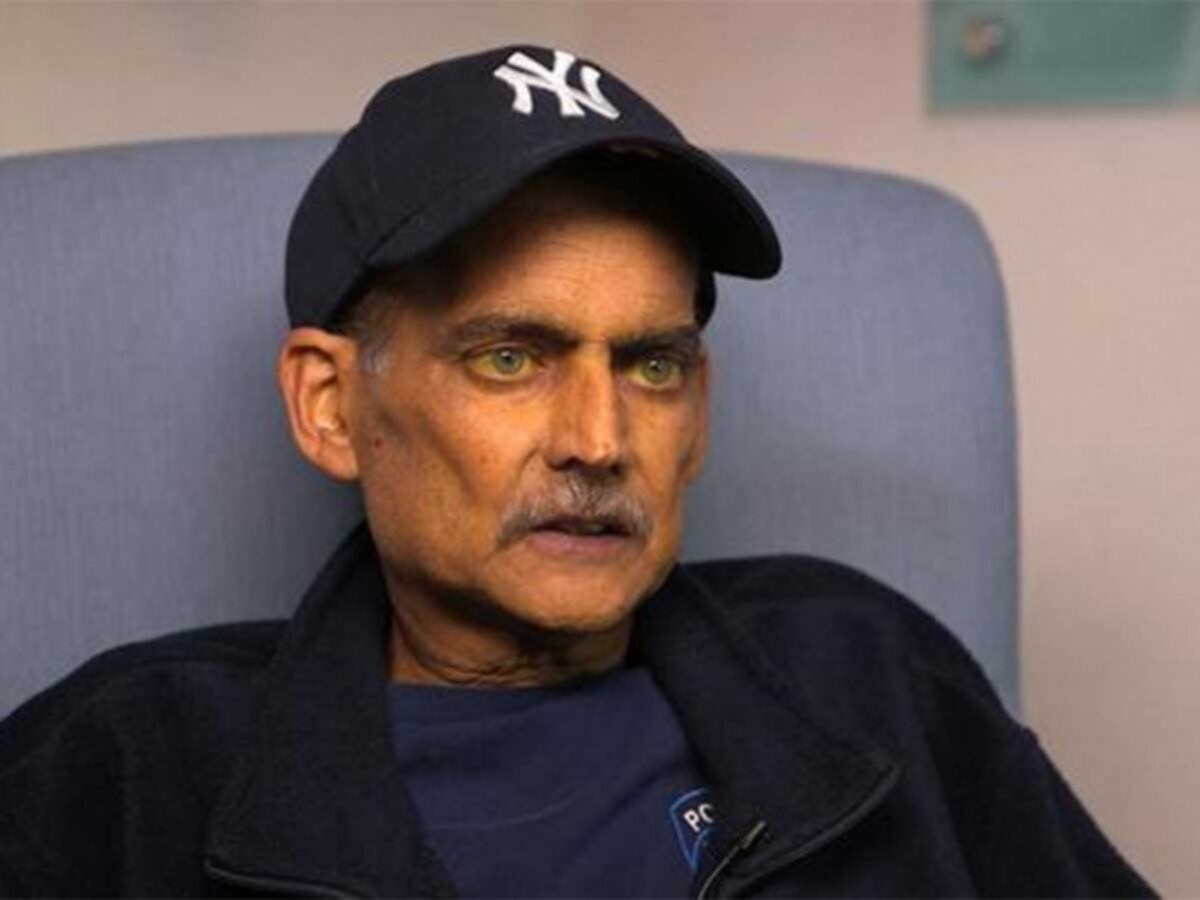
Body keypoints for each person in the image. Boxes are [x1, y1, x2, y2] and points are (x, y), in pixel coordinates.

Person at [0, 45, 1154, 898]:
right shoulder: (124, 769)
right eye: (509, 358)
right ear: (330, 406)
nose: (599, 442)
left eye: (653, 365)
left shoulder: (871, 675)